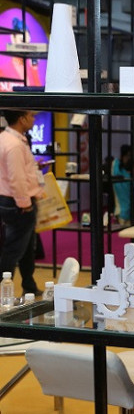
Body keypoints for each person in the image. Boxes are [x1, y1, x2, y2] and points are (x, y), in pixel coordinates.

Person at [0, 110, 44, 296]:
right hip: (17, 203)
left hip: (9, 199)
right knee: (14, 249)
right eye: (31, 116)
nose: (33, 119)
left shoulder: (6, 138)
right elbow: (16, 179)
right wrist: (25, 204)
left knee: (26, 248)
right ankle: (4, 288)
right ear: (21, 119)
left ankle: (29, 285)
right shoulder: (14, 145)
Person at [112, 144, 134, 226]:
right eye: (127, 155)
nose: (128, 157)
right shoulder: (115, 164)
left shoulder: (130, 167)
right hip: (120, 196)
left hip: (128, 194)